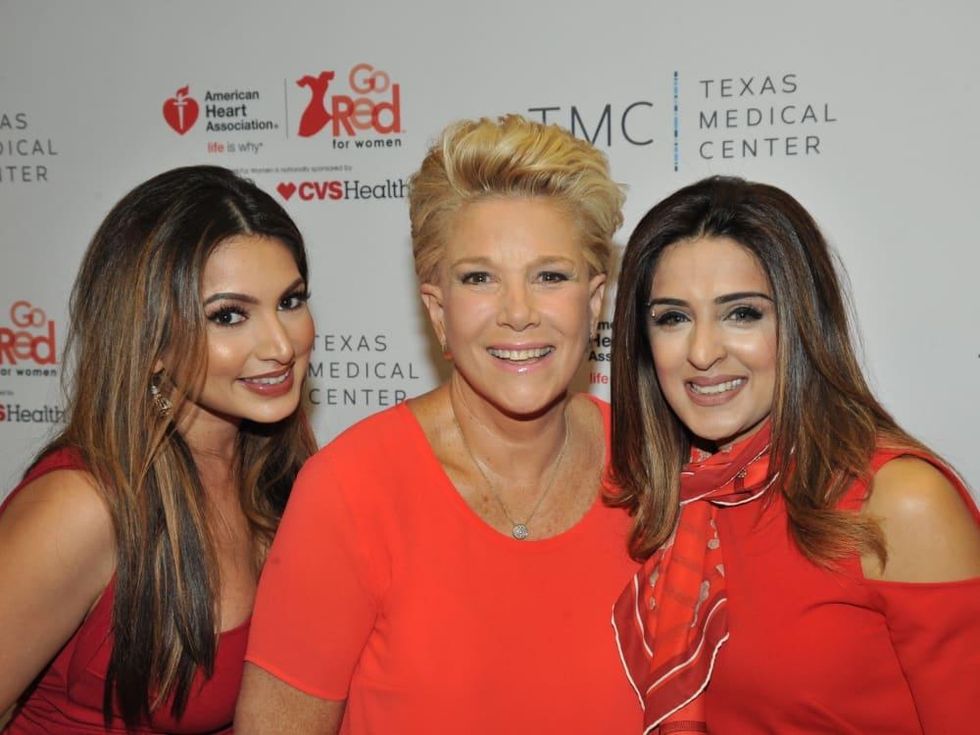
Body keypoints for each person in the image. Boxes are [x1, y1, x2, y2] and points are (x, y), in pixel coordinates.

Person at [236, 114, 642, 734]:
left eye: (549, 276)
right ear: (438, 310)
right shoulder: (351, 491)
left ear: (592, 303)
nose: (517, 313)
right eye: (479, 278)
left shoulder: (652, 465)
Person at [608, 175, 980, 734]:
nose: (703, 352)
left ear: (803, 322)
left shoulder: (898, 502)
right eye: (673, 318)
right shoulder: (663, 505)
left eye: (742, 313)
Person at [0, 165, 317, 733]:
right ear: (151, 342)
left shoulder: (285, 478)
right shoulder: (83, 508)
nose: (280, 345)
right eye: (228, 316)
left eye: (290, 302)